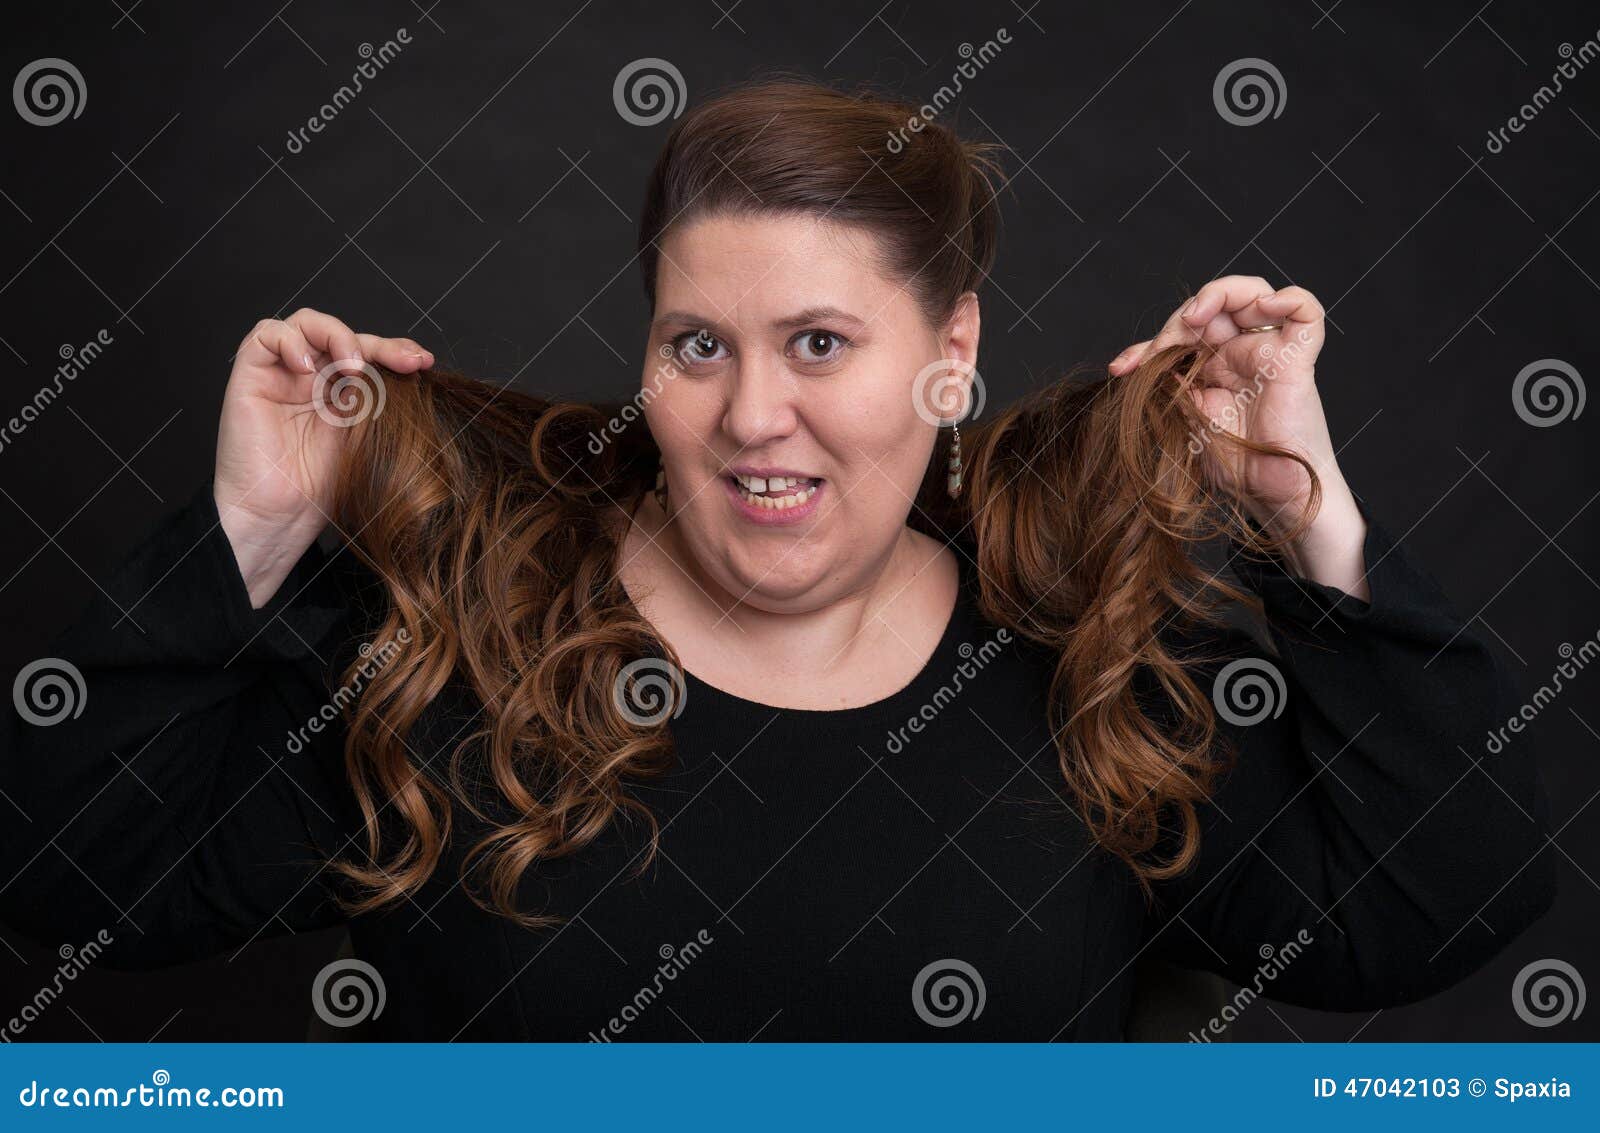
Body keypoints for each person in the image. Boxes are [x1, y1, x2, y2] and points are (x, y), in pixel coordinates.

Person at [0, 79, 1556, 1040]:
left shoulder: (1083, 670)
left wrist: (1307, 508)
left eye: (820, 341)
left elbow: (1436, 901)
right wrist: (249, 533)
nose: (755, 416)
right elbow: (66, 877)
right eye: (697, 344)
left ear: (951, 357)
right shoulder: (458, 639)